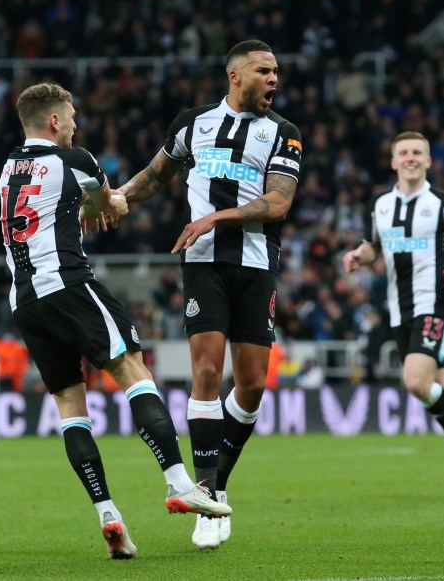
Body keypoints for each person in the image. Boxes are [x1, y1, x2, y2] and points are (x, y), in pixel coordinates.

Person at [0, 83, 230, 559]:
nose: (77, 124)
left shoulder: (6, 170)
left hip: (25, 300)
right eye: (73, 116)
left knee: (70, 405)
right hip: (68, 283)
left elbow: (52, 211)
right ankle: (180, 482)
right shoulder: (75, 159)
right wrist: (106, 204)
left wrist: (81, 209)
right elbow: (113, 204)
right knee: (133, 371)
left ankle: (109, 516)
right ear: (55, 122)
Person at [116, 40, 302, 550]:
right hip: (203, 264)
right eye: (265, 71)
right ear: (235, 74)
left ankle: (216, 484)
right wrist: (116, 197)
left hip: (257, 264)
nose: (274, 80)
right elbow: (156, 176)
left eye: (277, 72)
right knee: (204, 372)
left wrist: (214, 217)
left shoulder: (283, 133)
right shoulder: (194, 124)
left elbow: (279, 203)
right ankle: (205, 496)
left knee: (253, 385)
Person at [342, 131, 444, 501]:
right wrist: (356, 257)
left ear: (428, 161)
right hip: (400, 310)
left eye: (417, 153)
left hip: (436, 302)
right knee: (438, 389)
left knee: (415, 381)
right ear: (393, 161)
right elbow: (372, 248)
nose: (411, 158)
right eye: (404, 153)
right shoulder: (381, 206)